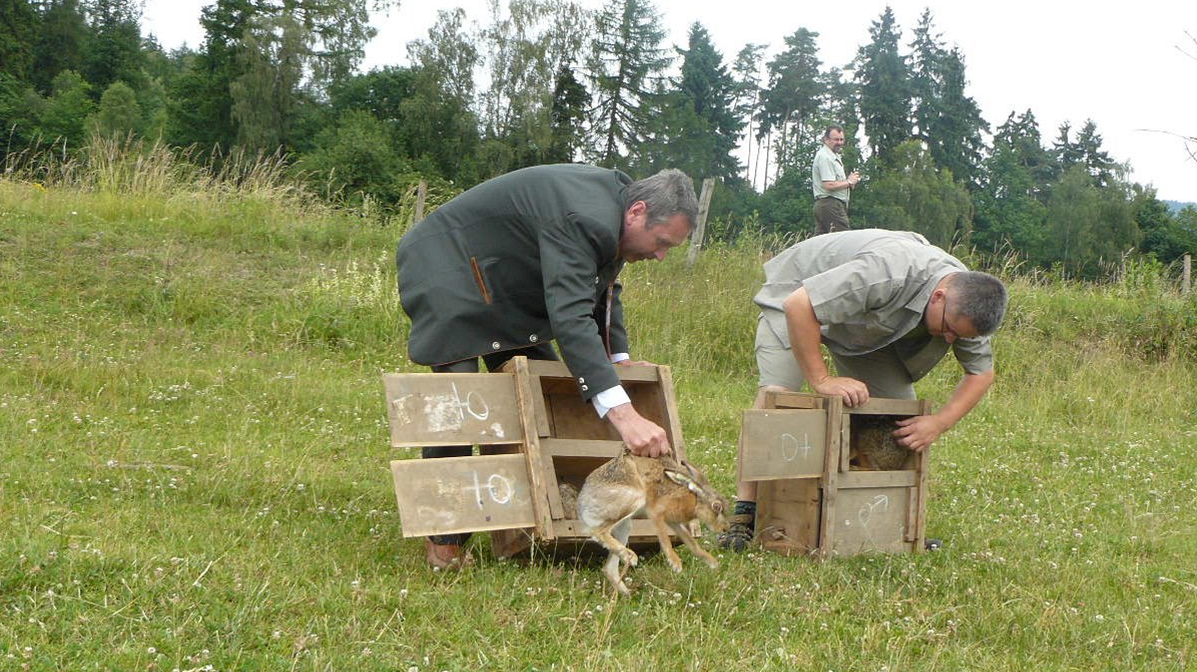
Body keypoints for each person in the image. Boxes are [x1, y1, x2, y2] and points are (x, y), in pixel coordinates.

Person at [396, 164, 700, 570]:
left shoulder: (618, 215)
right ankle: (444, 540)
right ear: (637, 212)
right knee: (460, 406)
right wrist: (623, 415)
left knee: (550, 399)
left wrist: (618, 360)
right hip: (447, 266)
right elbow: (571, 316)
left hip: (505, 281)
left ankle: (532, 518)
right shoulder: (586, 217)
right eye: (662, 242)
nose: (661, 256)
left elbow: (604, 290)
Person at [721, 228, 1008, 550]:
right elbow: (800, 306)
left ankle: (884, 523)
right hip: (796, 295)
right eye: (948, 330)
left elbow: (981, 373)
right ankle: (744, 518)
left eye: (960, 337)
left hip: (866, 326)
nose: (951, 340)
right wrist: (823, 380)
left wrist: (938, 423)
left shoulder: (971, 303)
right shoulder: (890, 273)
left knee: (896, 424)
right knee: (778, 399)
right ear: (939, 296)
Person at [812, 126, 860, 233]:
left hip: (826, 206)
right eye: (836, 139)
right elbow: (828, 185)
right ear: (826, 139)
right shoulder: (825, 157)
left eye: (841, 139)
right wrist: (849, 182)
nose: (839, 143)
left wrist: (849, 183)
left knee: (821, 244)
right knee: (843, 240)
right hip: (831, 205)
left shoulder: (833, 156)